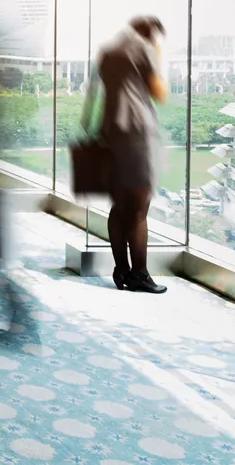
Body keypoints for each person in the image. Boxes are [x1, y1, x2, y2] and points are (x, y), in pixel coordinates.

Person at [96, 16, 170, 294]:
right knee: (140, 206)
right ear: (152, 33)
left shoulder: (108, 52)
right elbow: (159, 93)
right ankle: (139, 274)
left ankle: (121, 269)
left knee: (119, 204)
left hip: (110, 133)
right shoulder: (144, 47)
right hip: (136, 133)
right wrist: (157, 54)